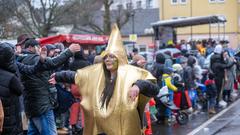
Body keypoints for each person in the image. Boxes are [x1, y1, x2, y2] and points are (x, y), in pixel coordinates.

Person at [49, 24, 159, 135]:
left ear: (119, 58)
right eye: (106, 57)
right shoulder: (98, 74)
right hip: (103, 127)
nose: (108, 60)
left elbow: (154, 88)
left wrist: (138, 86)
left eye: (112, 57)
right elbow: (76, 76)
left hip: (126, 126)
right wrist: (58, 76)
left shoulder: (133, 73)